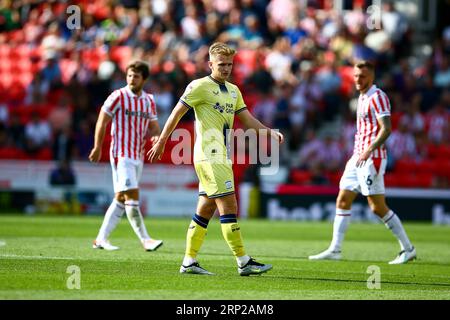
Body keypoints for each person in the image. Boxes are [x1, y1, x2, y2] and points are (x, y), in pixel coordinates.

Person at [148, 42, 284, 276]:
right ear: (210, 64)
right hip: (209, 156)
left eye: (230, 64)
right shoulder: (199, 86)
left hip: (221, 154)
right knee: (229, 205)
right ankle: (243, 261)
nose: (226, 68)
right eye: (221, 64)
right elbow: (176, 114)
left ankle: (189, 261)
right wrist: (161, 140)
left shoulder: (233, 90)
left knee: (205, 208)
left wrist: (269, 132)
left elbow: (248, 119)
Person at [309, 61, 416, 264]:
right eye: (356, 76)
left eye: (363, 76)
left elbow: (387, 129)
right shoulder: (361, 96)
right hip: (357, 156)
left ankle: (408, 248)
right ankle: (335, 249)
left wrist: (369, 149)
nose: (358, 80)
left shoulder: (378, 97)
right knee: (343, 199)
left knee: (377, 207)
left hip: (371, 157)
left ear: (372, 76)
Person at [89, 61, 163, 252]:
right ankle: (146, 240)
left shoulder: (149, 100)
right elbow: (102, 121)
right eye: (129, 75)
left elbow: (153, 126)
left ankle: (100, 239)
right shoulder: (118, 96)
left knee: (121, 198)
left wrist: (156, 137)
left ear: (144, 79)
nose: (131, 79)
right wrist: (97, 146)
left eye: (136, 76)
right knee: (132, 195)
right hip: (121, 154)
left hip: (138, 155)